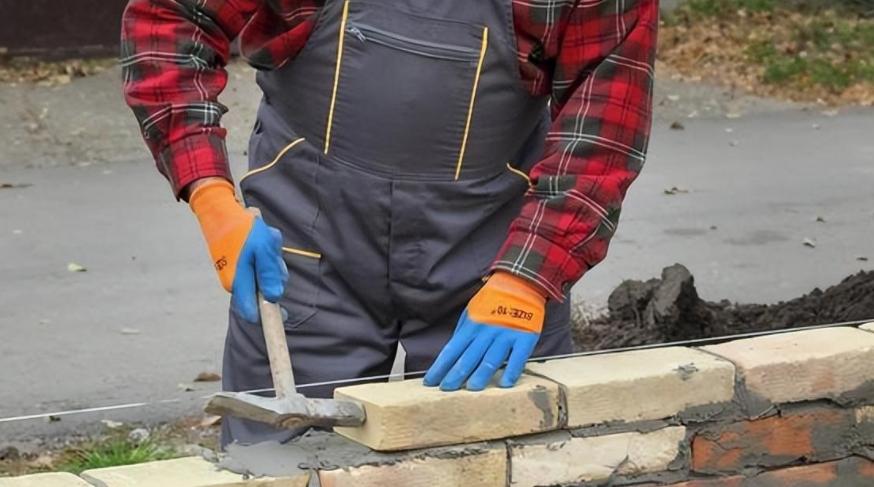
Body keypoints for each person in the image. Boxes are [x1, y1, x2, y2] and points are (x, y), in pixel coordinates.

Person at [121, 0, 658, 446]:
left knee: (498, 459)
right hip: (306, 247)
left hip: (492, 258)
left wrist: (528, 278)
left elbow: (602, 134)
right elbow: (170, 21)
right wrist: (212, 200)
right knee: (280, 465)